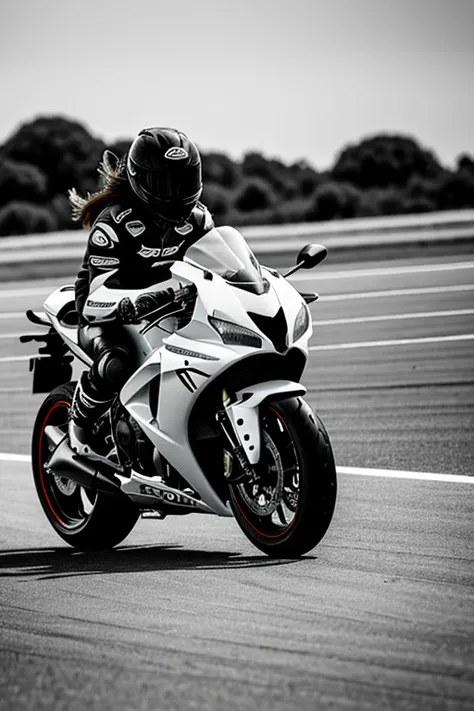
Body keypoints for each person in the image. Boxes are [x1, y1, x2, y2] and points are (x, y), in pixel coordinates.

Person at [68, 127, 215, 458]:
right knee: (115, 365)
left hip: (173, 302)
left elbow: (220, 265)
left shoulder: (200, 220)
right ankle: (78, 426)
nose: (176, 192)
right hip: (109, 305)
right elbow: (95, 296)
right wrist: (134, 301)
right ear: (140, 181)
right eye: (165, 184)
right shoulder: (114, 223)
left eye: (185, 181)